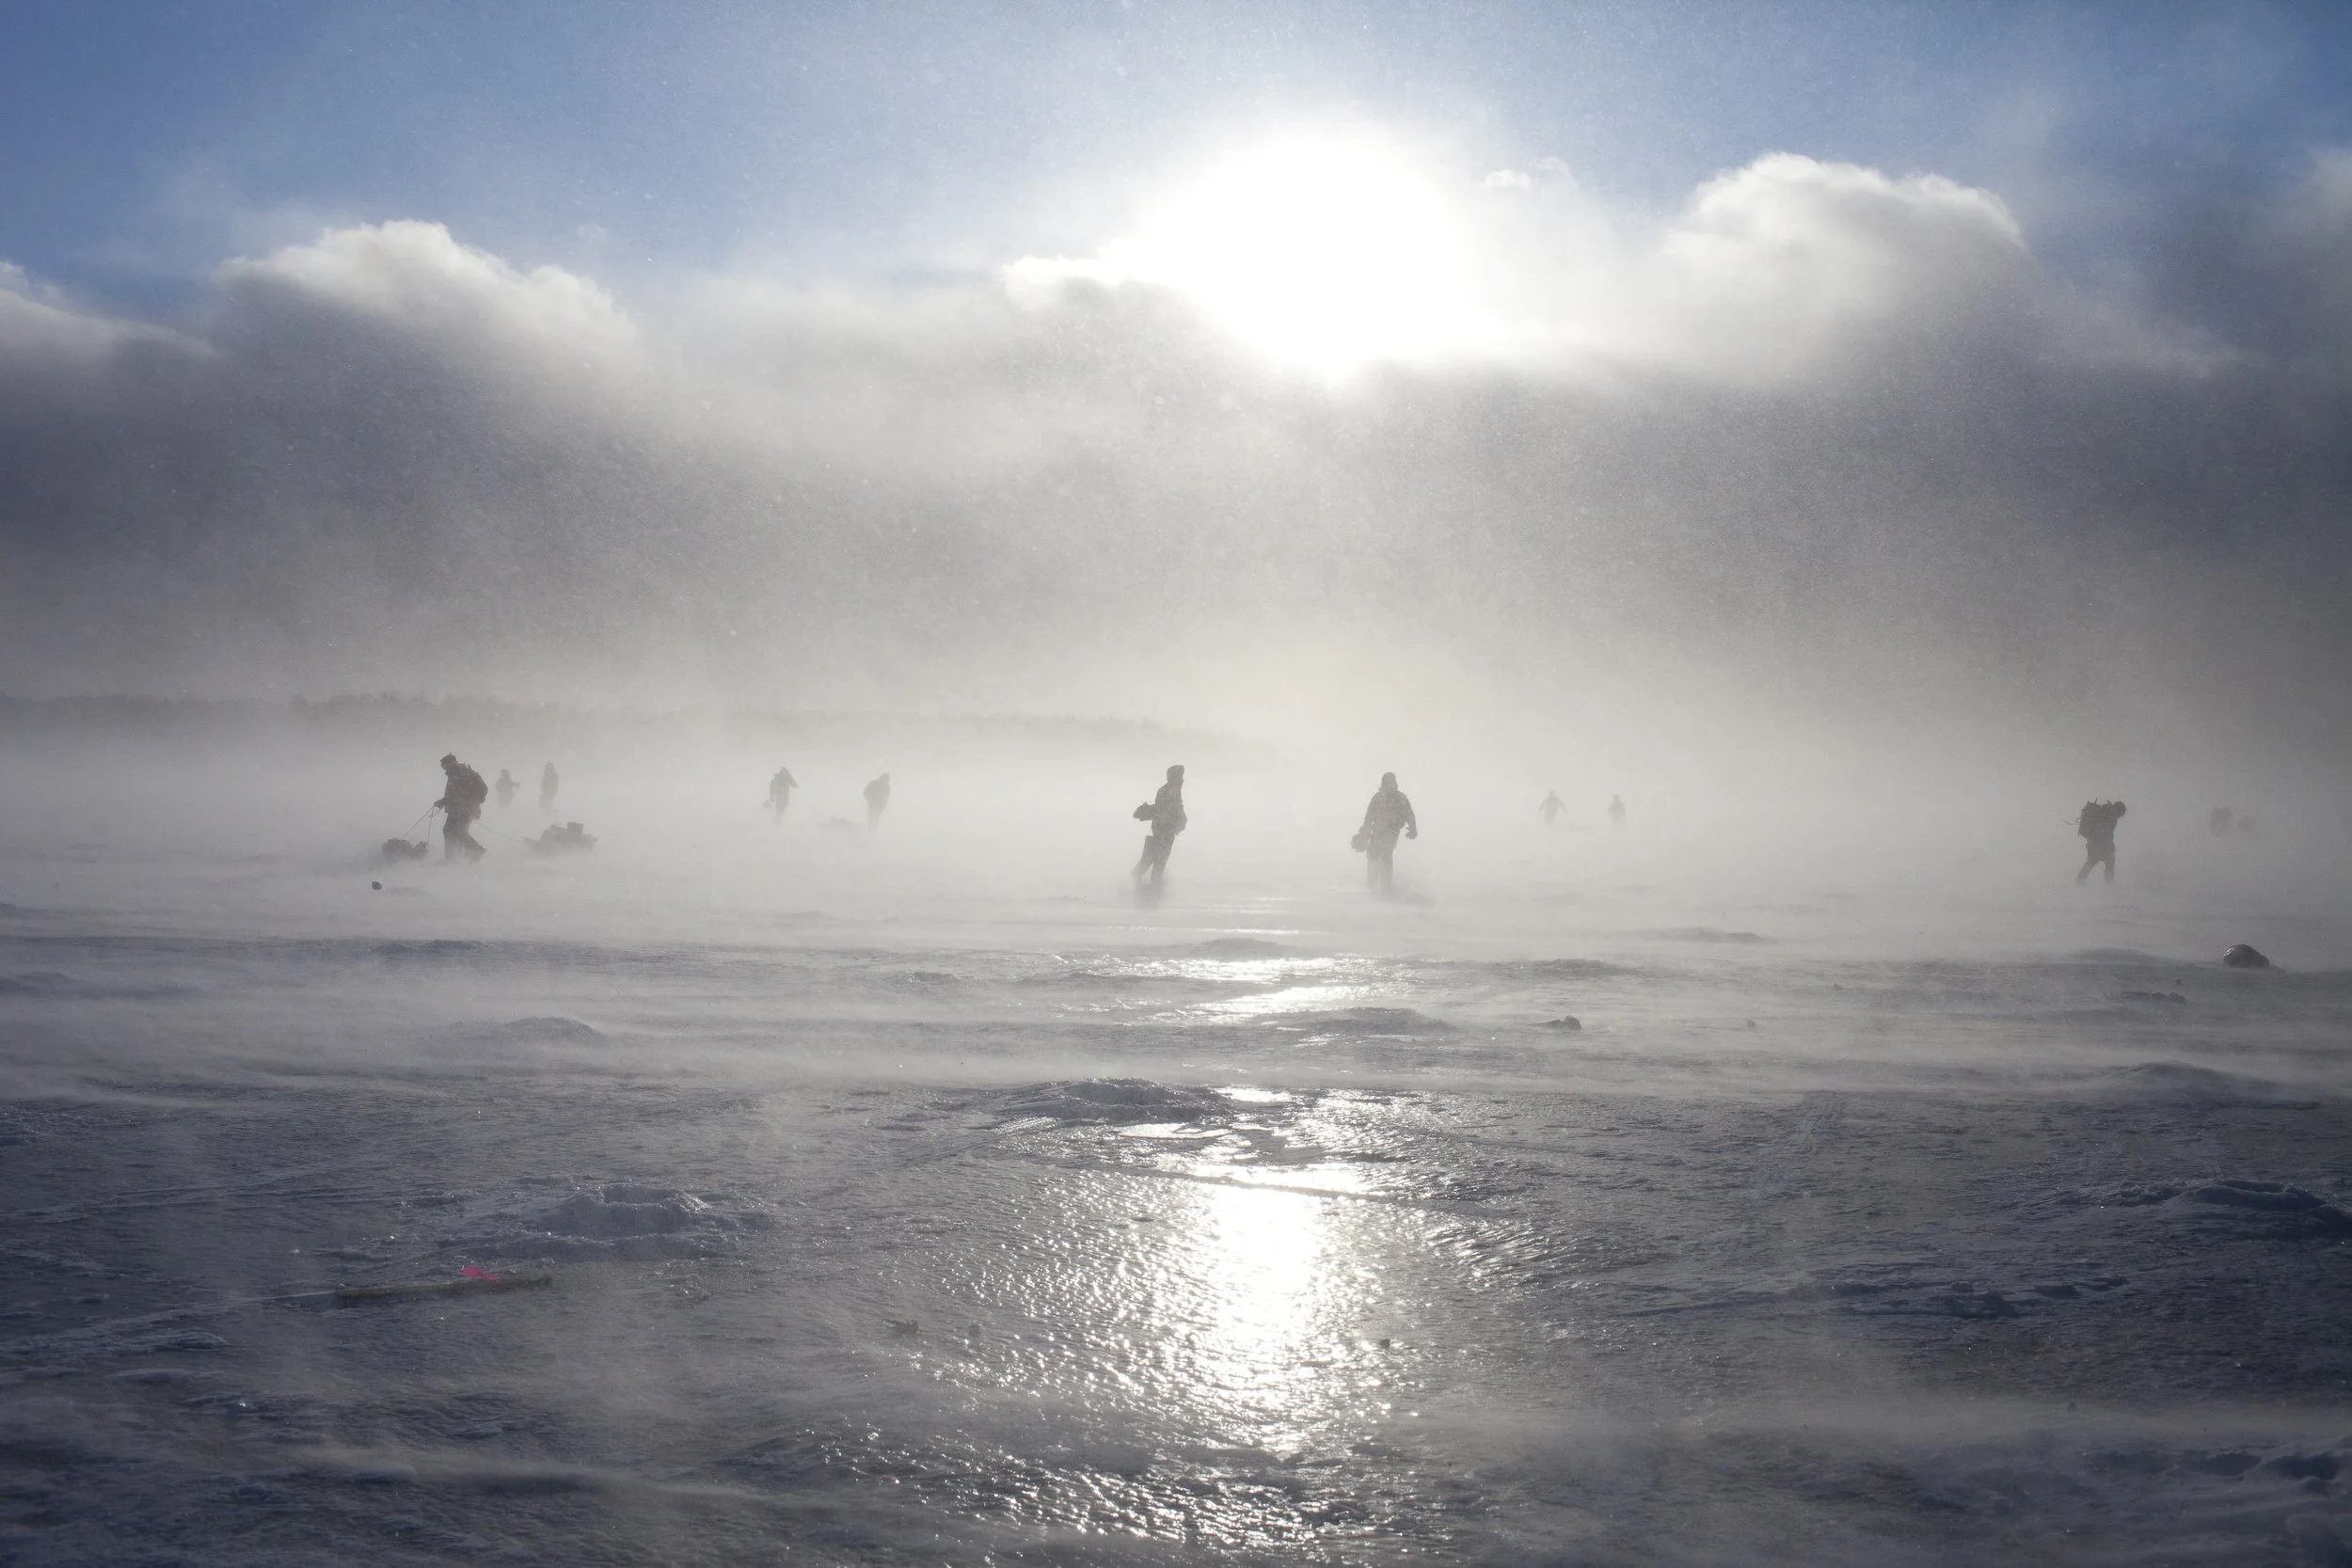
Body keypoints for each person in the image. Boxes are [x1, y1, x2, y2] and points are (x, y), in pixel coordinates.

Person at [1356, 771, 1418, 895]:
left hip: (1390, 833)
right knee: (1374, 856)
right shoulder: (1379, 798)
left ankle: (1385, 888)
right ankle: (1373, 888)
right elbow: (1369, 817)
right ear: (1384, 784)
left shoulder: (1400, 798)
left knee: (1385, 856)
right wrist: (1364, 834)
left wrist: (1413, 830)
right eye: (1389, 783)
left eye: (1392, 783)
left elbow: (1409, 815)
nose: (1391, 786)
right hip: (1378, 833)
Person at [1132, 765, 1187, 887]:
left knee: (1152, 862)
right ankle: (1145, 889)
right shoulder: (1169, 791)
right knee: (1153, 862)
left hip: (1163, 833)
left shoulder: (1172, 791)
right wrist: (1177, 823)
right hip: (1161, 833)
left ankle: (1145, 888)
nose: (1182, 779)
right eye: (1180, 776)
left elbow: (1171, 811)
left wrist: (1180, 822)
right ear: (1173, 777)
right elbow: (1164, 811)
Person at [435, 753, 490, 863]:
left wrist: (443, 802)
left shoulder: (460, 774)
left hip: (464, 810)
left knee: (457, 832)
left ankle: (474, 850)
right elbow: (456, 795)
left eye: (444, 766)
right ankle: (453, 857)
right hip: (458, 810)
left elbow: (459, 795)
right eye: (443, 766)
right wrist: (444, 802)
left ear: (451, 764)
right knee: (452, 831)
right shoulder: (455, 773)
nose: (444, 768)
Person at [2075, 799, 2127, 884]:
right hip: (2099, 845)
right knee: (2107, 862)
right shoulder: (2110, 815)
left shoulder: (2107, 813)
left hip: (2093, 843)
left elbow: (2106, 833)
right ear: (2119, 810)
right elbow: (2104, 832)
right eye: (2122, 814)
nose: (2121, 816)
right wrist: (2107, 845)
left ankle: (2079, 881)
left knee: (2091, 863)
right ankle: (2108, 885)